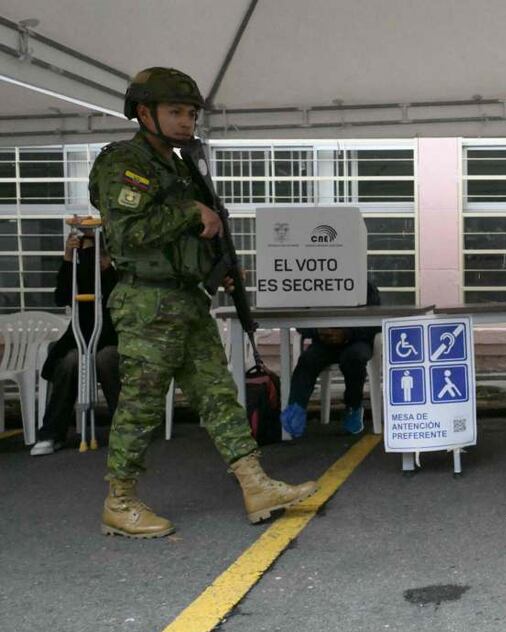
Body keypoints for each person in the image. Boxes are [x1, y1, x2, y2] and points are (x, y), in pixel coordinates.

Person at [88, 67, 317, 539]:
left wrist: (219, 267)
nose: (186, 120)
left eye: (191, 113)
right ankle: (120, 500)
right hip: (147, 302)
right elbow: (128, 233)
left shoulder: (179, 164)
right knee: (142, 404)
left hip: (187, 299)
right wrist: (192, 211)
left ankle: (256, 485)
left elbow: (195, 234)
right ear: (143, 112)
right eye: (175, 111)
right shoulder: (123, 162)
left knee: (218, 395)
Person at [30, 228, 121, 456]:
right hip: (79, 335)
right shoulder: (75, 271)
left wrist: (107, 269)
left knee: (107, 358)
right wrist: (68, 260)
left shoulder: (116, 274)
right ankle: (51, 434)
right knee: (70, 360)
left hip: (110, 335)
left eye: (95, 252)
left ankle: (124, 429)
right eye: (85, 252)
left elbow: (118, 300)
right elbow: (61, 297)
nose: (91, 258)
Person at [280, 282, 381, 437]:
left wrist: (347, 334)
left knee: (353, 359)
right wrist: (317, 331)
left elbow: (374, 323)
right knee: (308, 360)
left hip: (357, 340)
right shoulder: (315, 283)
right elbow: (301, 320)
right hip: (324, 341)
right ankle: (296, 407)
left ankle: (353, 406)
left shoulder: (366, 286)